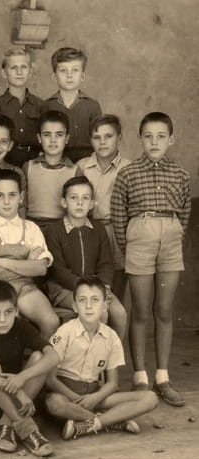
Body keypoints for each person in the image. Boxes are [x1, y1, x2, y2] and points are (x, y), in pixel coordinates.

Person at [111, 112, 191, 406]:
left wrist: (172, 234)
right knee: (141, 310)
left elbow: (184, 213)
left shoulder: (180, 174)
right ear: (140, 139)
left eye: (161, 136)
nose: (154, 142)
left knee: (165, 310)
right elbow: (119, 215)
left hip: (170, 238)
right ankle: (140, 377)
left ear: (171, 139)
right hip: (139, 239)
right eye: (148, 136)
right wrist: (131, 244)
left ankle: (162, 377)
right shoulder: (128, 173)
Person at [45, 277, 158, 439]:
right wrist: (76, 399)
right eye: (82, 300)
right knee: (54, 403)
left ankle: (92, 423)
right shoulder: (64, 332)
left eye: (95, 300)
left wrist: (94, 398)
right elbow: (50, 379)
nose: (89, 306)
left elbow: (112, 383)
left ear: (105, 306)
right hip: (66, 394)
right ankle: (111, 421)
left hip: (95, 395)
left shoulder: (111, 337)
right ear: (74, 306)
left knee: (150, 398)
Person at [0, 280, 60, 457]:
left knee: (39, 357)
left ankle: (7, 424)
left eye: (8, 312)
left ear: (16, 311)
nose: (3, 319)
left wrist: (22, 377)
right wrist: (18, 392)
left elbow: (54, 356)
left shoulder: (20, 326)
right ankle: (26, 428)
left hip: (12, 399)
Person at [0, 169, 59, 338]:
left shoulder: (31, 228)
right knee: (11, 329)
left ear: (21, 197)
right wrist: (28, 264)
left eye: (12, 195)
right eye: (0, 196)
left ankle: (38, 355)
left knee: (51, 321)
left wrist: (3, 262)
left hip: (26, 290)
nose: (7, 202)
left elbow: (41, 269)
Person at [44, 176, 128, 339]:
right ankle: (92, 354)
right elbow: (58, 270)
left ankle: (111, 353)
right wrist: (83, 287)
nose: (79, 203)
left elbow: (105, 263)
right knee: (99, 313)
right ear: (64, 202)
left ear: (91, 204)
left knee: (119, 313)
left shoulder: (98, 229)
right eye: (73, 198)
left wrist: (103, 286)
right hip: (64, 288)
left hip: (96, 286)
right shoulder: (54, 230)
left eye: (85, 198)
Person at [76, 114, 131, 300]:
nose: (102, 142)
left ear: (119, 137)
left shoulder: (129, 168)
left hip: (118, 231)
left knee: (116, 290)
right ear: (90, 140)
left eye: (109, 136)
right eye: (96, 137)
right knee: (90, 287)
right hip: (89, 230)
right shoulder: (81, 167)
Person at [40, 47, 102, 162]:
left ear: (82, 76)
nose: (69, 75)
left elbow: (99, 140)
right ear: (54, 77)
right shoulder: (47, 106)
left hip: (87, 161)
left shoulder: (92, 106)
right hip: (55, 161)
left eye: (75, 70)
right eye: (63, 70)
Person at [23, 110, 81, 231]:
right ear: (39, 138)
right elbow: (21, 205)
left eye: (59, 135)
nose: (53, 140)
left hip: (62, 229)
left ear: (67, 138)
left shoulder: (74, 171)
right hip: (32, 227)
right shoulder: (28, 167)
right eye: (47, 134)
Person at [0, 48, 43, 167]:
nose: (19, 72)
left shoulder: (40, 105)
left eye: (24, 67)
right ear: (4, 73)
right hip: (5, 160)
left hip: (34, 161)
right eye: (13, 68)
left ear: (30, 71)